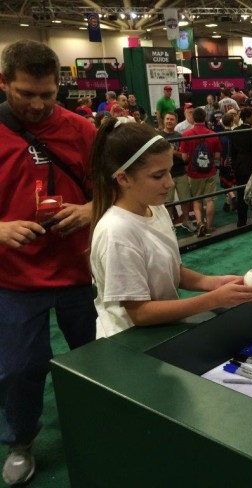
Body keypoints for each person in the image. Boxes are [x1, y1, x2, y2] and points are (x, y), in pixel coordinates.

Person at [0, 39, 97, 486]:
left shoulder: (82, 130)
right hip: (15, 280)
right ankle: (21, 440)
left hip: (80, 271)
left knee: (99, 356)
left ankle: (105, 421)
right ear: (4, 84)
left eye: (48, 94)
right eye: (26, 94)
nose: (38, 104)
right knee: (19, 368)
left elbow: (120, 190)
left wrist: (91, 210)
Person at [89, 120, 252, 339]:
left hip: (161, 331)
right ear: (123, 178)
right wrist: (214, 299)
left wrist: (213, 283)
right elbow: (140, 314)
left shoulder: (155, 208)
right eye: (158, 176)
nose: (169, 183)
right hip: (129, 342)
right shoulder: (117, 232)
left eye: (170, 172)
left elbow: (170, 271)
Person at [179, 107, 222, 237]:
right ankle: (208, 226)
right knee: (210, 200)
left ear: (193, 118)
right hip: (209, 171)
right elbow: (216, 156)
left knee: (197, 200)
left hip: (194, 172)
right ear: (205, 118)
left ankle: (199, 224)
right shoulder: (213, 134)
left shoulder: (186, 135)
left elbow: (185, 157)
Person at [160, 111, 195, 233]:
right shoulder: (158, 137)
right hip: (166, 174)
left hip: (180, 172)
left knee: (185, 198)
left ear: (176, 122)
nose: (169, 121)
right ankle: (170, 226)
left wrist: (174, 152)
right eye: (167, 119)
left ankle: (186, 220)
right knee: (168, 202)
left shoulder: (180, 137)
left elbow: (186, 156)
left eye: (172, 119)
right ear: (164, 120)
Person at [230, 107, 252, 227]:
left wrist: (234, 165)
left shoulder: (235, 131)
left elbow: (232, 152)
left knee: (241, 192)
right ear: (247, 118)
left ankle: (241, 221)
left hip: (240, 166)